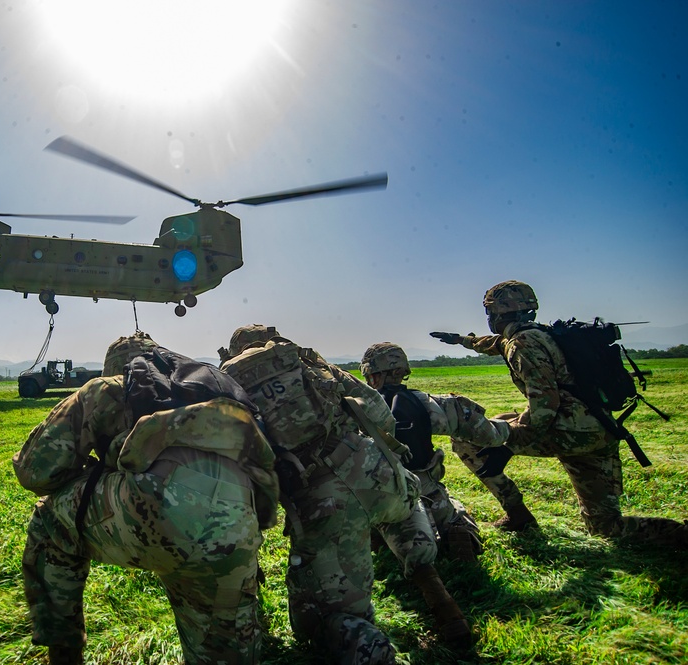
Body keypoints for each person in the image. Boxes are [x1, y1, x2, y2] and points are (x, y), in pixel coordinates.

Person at [14, 331, 280, 665]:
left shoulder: (107, 386)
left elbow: (35, 472)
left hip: (159, 512)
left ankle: (63, 653)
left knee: (49, 520)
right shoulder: (206, 385)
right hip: (237, 522)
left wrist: (95, 472)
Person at [220, 325, 469, 663]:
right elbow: (378, 410)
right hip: (377, 471)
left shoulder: (228, 384)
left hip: (324, 505)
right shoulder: (305, 359)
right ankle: (439, 595)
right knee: (402, 510)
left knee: (317, 617)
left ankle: (374, 652)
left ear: (234, 351)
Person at [432, 280, 687, 547]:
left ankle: (518, 515)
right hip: (600, 430)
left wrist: (508, 445)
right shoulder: (541, 333)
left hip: (568, 432)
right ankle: (680, 533)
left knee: (467, 436)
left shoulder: (523, 344)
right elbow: (496, 344)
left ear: (496, 313)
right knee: (605, 527)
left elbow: (544, 409)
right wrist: (463, 341)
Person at [360, 342, 507, 561]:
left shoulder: (354, 411)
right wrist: (507, 425)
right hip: (427, 487)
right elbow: (491, 436)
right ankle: (456, 529)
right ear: (403, 371)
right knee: (454, 512)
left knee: (371, 520)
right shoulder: (431, 403)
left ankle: (383, 539)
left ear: (371, 375)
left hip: (383, 496)